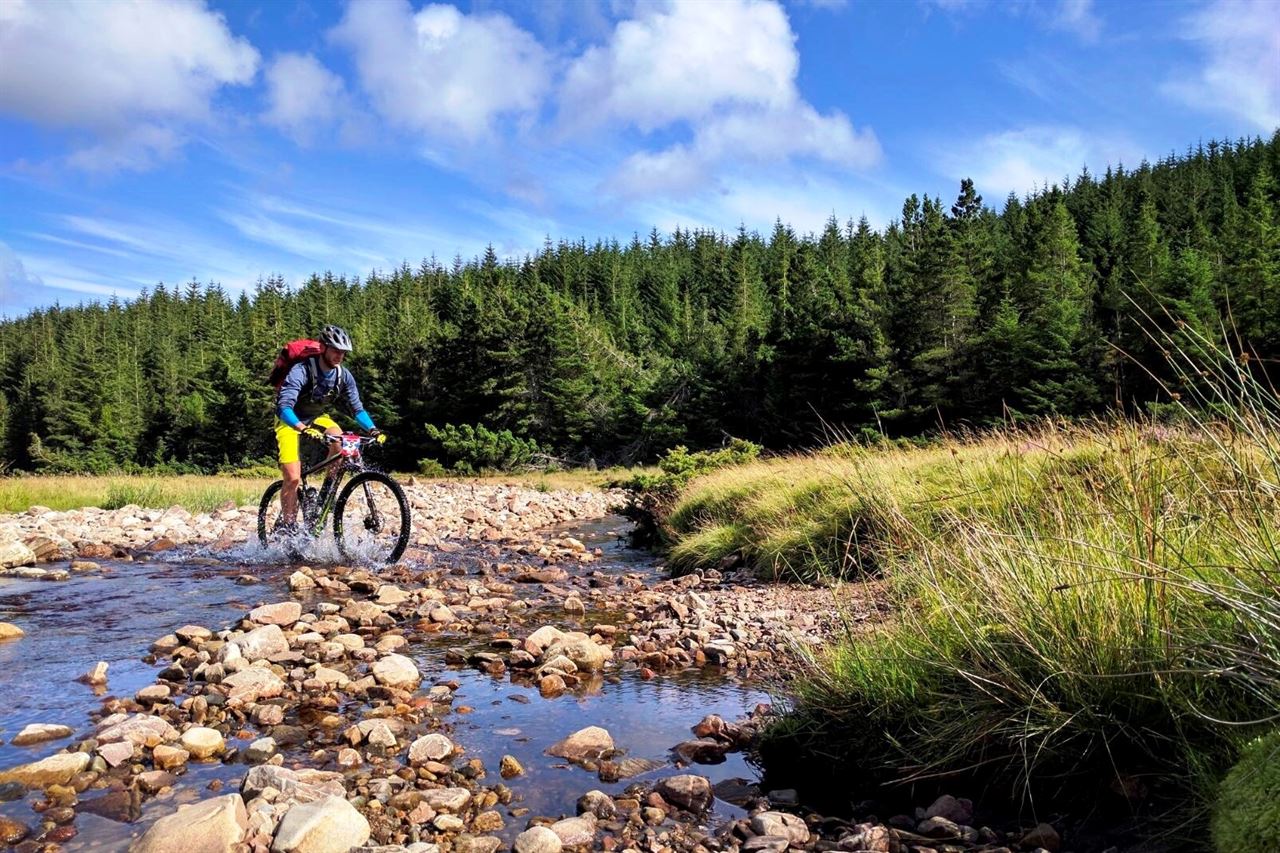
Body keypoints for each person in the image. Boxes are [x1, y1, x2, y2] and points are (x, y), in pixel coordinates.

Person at [274, 324, 384, 530]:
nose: (339, 356)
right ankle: (287, 529)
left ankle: (326, 494)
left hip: (317, 417)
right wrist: (301, 428)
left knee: (340, 439)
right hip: (290, 420)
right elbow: (284, 406)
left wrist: (373, 429)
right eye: (335, 350)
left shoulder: (344, 376)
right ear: (323, 348)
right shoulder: (302, 370)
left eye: (343, 353)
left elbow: (357, 409)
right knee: (293, 477)